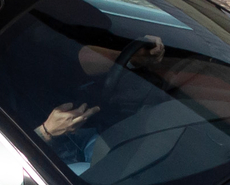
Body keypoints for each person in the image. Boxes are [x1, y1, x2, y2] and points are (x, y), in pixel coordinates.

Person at [35, 33, 167, 164]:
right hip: (40, 154)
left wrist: (134, 58)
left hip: (88, 131)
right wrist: (47, 131)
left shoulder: (50, 41)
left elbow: (78, 58)